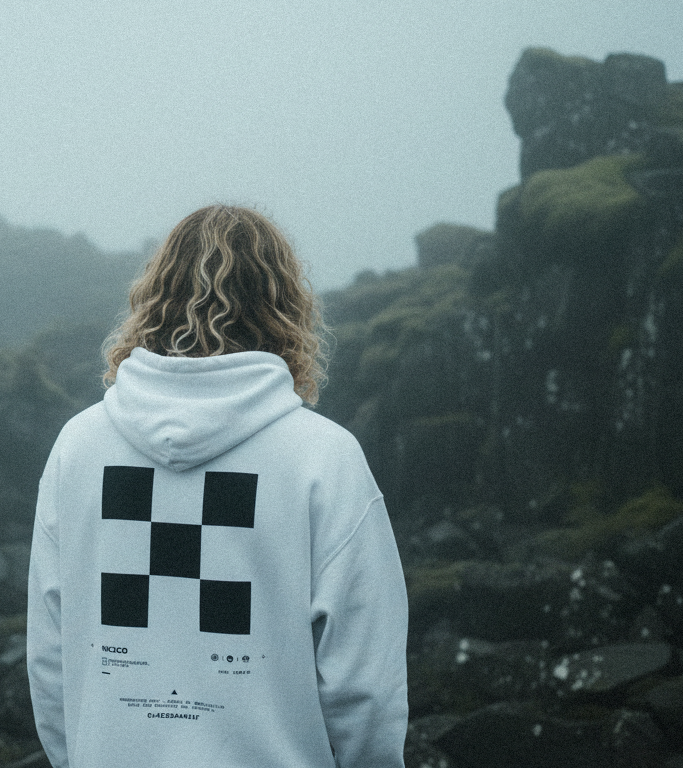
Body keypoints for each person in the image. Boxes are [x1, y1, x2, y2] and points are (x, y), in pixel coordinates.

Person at [26, 205, 408, 768]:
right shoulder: (323, 456)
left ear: (154, 297)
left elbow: (50, 660)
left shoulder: (78, 447)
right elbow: (363, 685)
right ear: (284, 306)